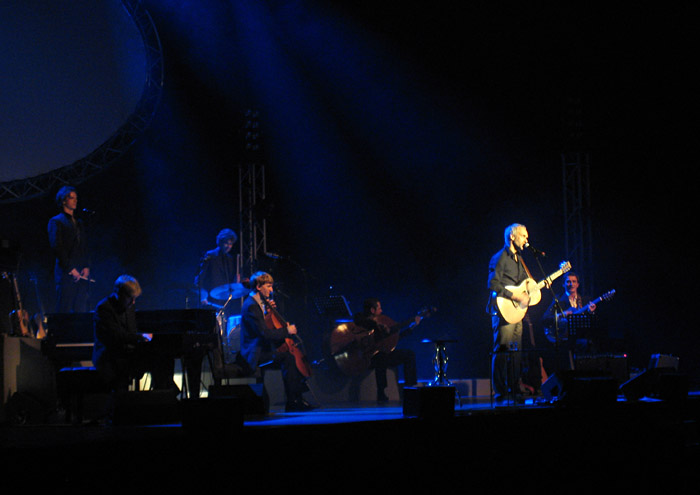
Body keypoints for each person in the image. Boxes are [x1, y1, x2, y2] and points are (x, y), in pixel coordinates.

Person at [239, 271, 315, 412]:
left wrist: (268, 311)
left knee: (289, 356)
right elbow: (264, 333)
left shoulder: (258, 304)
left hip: (263, 349)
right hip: (255, 354)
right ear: (258, 287)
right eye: (268, 286)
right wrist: (287, 331)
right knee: (288, 358)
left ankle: (296, 398)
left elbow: (265, 326)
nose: (271, 290)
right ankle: (293, 401)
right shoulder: (251, 306)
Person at [92, 275, 173, 392]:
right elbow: (116, 336)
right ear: (118, 294)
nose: (133, 302)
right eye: (130, 298)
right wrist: (139, 337)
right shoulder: (104, 308)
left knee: (162, 358)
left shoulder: (129, 306)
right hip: (109, 358)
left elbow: (131, 331)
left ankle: (165, 394)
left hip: (126, 355)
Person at [486, 223, 534, 404]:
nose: (526, 240)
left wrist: (536, 287)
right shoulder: (499, 258)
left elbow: (524, 284)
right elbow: (493, 285)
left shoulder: (519, 259)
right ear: (512, 237)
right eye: (523, 236)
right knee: (501, 350)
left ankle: (514, 388)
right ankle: (500, 392)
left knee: (516, 351)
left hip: (517, 313)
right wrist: (513, 295)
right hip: (503, 311)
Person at [353, 298, 420, 402]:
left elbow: (393, 339)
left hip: (382, 354)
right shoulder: (360, 319)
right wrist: (377, 325)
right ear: (372, 310)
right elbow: (362, 321)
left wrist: (411, 328)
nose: (381, 311)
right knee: (381, 356)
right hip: (366, 357)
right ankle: (381, 392)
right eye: (379, 308)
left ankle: (409, 388)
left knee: (409, 354)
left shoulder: (382, 323)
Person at [47, 186, 90, 313]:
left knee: (80, 309)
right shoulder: (56, 221)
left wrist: (86, 266)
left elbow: (84, 246)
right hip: (66, 273)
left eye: (76, 198)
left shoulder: (79, 223)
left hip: (81, 273)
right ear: (63, 200)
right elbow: (57, 247)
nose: (75, 201)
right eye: (71, 198)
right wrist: (71, 268)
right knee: (64, 309)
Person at [542, 272, 597, 352]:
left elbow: (591, 323)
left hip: (581, 336)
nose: (571, 284)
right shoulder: (558, 299)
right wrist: (562, 314)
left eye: (574, 281)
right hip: (564, 337)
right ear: (563, 284)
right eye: (568, 281)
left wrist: (591, 312)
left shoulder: (584, 300)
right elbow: (545, 319)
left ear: (578, 284)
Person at [195, 228, 240, 310]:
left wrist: (236, 283)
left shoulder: (230, 259)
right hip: (209, 300)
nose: (229, 246)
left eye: (231, 244)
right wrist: (202, 297)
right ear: (220, 242)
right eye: (226, 243)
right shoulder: (209, 256)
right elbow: (199, 279)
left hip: (224, 301)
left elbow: (229, 281)